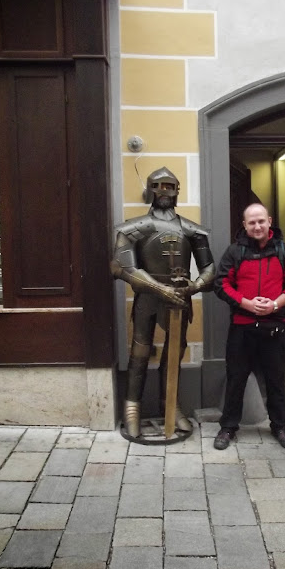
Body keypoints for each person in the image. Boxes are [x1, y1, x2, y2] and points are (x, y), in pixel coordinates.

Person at [110, 167, 215, 439]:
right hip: (148, 296)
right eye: (159, 186)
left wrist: (194, 286)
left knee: (174, 353)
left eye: (170, 186)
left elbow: (209, 269)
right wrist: (159, 289)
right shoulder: (132, 228)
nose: (164, 191)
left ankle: (170, 405)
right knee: (140, 352)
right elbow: (122, 267)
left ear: (177, 190)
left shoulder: (192, 230)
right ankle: (132, 408)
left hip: (181, 297)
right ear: (150, 189)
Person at [213, 203, 285, 450]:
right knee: (236, 380)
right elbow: (221, 284)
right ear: (244, 225)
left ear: (269, 221)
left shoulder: (284, 251)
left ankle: (280, 426)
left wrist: (274, 305)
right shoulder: (234, 252)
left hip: (274, 327)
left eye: (261, 221)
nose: (257, 226)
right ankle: (228, 427)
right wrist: (247, 304)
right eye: (251, 222)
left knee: (275, 380)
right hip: (242, 328)